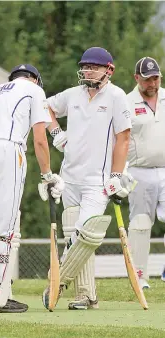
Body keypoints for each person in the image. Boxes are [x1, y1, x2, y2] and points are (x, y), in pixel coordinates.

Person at [43, 47, 133, 310]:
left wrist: (116, 175)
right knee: (74, 234)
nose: (87, 71)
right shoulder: (73, 95)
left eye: (94, 66)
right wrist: (57, 132)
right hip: (69, 177)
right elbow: (45, 106)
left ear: (109, 70)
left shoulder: (116, 96)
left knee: (85, 235)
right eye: (84, 66)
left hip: (97, 180)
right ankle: (86, 295)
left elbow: (124, 137)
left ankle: (55, 282)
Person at [0, 64, 64, 313]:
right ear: (35, 79)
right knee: (4, 227)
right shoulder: (33, 89)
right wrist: (48, 176)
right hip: (10, 150)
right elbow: (40, 139)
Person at [127, 57, 165, 289]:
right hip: (139, 171)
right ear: (136, 78)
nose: (153, 83)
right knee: (140, 223)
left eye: (156, 78)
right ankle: (139, 277)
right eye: (148, 79)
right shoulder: (126, 101)